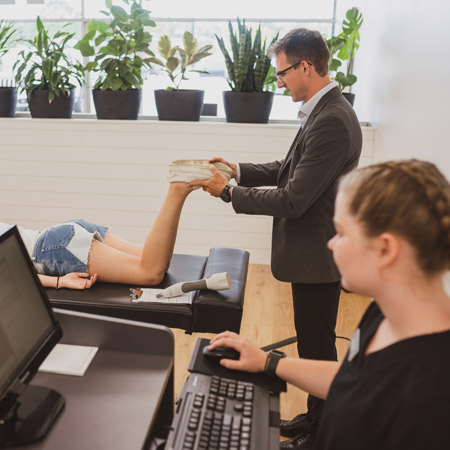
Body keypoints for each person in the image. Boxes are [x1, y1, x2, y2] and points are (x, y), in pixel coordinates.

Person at [188, 28, 363, 448]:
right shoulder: (323, 111)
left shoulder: (334, 120)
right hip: (312, 252)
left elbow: (293, 198)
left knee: (318, 346)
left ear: (306, 66)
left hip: (318, 255)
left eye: (282, 73)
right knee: (313, 340)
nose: (278, 82)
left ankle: (323, 432)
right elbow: (289, 170)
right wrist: (238, 169)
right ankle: (315, 418)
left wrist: (229, 192)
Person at [207, 159, 450, 450]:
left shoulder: (430, 391)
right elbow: (356, 378)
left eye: (342, 233)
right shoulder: (386, 313)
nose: (331, 244)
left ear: (386, 249)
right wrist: (268, 363)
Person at [0, 182, 192, 290]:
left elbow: (13, 272)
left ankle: (178, 190)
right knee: (157, 262)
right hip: (64, 233)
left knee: (150, 273)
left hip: (53, 251)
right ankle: (180, 189)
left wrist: (60, 281)